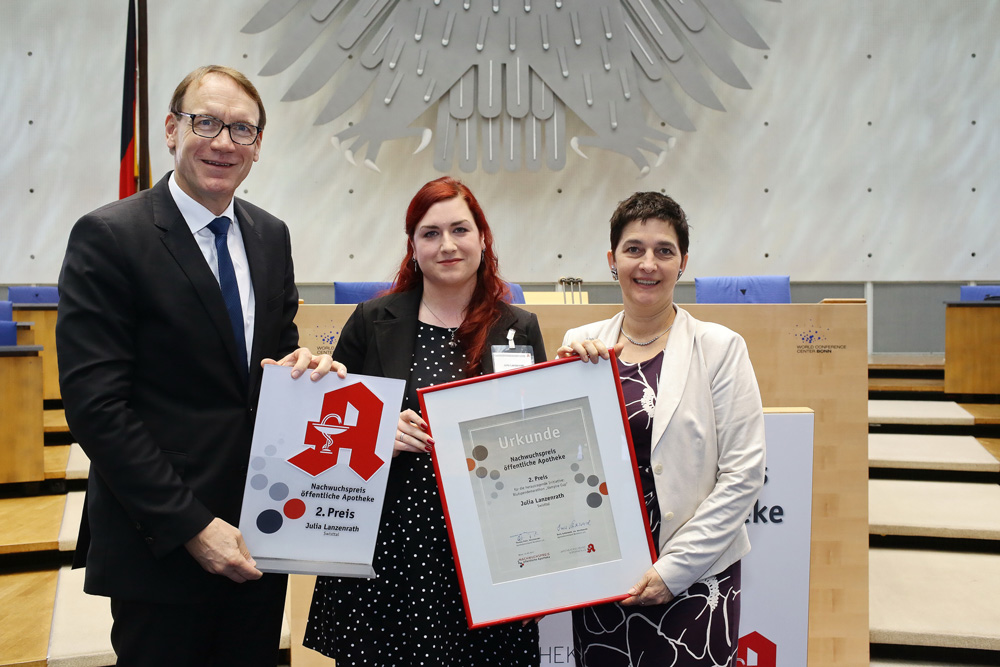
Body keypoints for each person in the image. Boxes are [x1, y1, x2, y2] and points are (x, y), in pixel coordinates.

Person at [56, 65, 346, 667]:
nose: (223, 143)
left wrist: (302, 370)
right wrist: (193, 526)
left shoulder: (271, 236)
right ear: (170, 129)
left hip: (262, 531)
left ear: (259, 145)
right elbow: (96, 407)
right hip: (160, 541)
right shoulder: (110, 236)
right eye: (206, 122)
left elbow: (269, 359)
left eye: (243, 129)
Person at [303, 176, 545, 666]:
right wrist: (375, 435)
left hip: (484, 554)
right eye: (430, 233)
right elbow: (323, 438)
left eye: (460, 229)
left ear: (483, 238)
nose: (448, 245)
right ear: (412, 246)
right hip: (387, 551)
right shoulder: (372, 320)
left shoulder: (518, 327)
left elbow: (535, 445)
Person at [557, 192, 766, 667]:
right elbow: (558, 467)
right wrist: (560, 383)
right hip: (604, 578)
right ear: (612, 260)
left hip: (696, 579)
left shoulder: (720, 348)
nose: (647, 264)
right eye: (634, 249)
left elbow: (743, 476)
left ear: (683, 262)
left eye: (663, 251)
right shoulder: (579, 346)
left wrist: (673, 571)